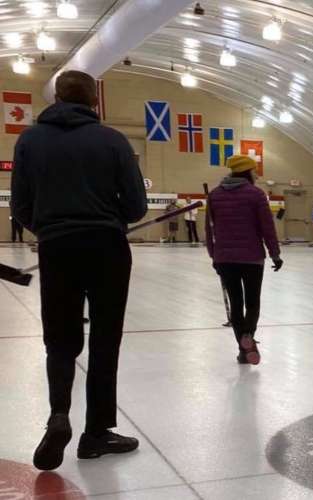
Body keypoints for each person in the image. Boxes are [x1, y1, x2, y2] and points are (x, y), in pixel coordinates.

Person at [10, 70, 147, 471]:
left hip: (56, 247)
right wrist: (110, 218)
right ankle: (96, 433)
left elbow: (20, 205)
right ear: (94, 101)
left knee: (60, 339)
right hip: (106, 247)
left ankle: (58, 415)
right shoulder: (113, 140)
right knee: (105, 339)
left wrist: (51, 227)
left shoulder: (29, 140)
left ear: (56, 98)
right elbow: (137, 205)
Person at [206, 155, 283, 364]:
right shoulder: (256, 194)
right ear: (247, 172)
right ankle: (248, 336)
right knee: (252, 303)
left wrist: (214, 255)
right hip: (252, 258)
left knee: (236, 303)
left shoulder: (214, 195)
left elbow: (209, 229)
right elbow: (267, 227)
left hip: (225, 258)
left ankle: (243, 350)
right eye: (254, 171)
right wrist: (275, 253)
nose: (256, 175)